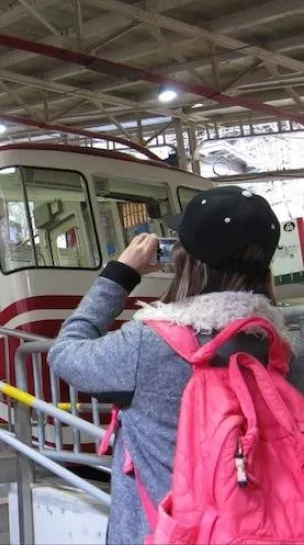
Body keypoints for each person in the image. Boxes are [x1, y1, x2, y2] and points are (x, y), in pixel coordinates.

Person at [49, 187, 303, 544]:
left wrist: (120, 275)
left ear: (185, 260)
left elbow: (64, 353)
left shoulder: (145, 346)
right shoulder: (288, 352)